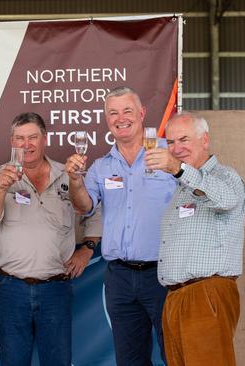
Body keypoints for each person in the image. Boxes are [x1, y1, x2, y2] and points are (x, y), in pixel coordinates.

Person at [0, 112, 102, 366]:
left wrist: (87, 248)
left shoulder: (66, 174)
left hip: (55, 288)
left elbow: (93, 210)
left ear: (45, 139)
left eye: (33, 137)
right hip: (11, 288)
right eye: (20, 138)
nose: (26, 144)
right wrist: (1, 189)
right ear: (12, 142)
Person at [67, 86, 177, 365]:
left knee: (176, 354)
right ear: (107, 120)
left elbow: (196, 195)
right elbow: (84, 206)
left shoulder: (169, 155)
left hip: (165, 274)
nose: (120, 118)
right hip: (120, 278)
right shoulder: (101, 167)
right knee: (130, 360)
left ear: (141, 114)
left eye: (127, 110)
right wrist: (76, 181)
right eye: (113, 113)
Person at [144, 112, 245, 366]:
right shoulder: (181, 188)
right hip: (176, 296)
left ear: (205, 140)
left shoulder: (226, 177)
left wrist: (178, 170)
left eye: (184, 140)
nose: (176, 148)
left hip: (206, 292)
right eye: (170, 142)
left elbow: (224, 200)